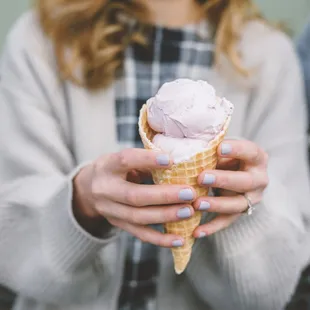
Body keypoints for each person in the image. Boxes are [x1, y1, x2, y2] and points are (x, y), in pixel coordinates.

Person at [0, 0, 309, 310]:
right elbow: (9, 245)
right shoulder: (40, 40)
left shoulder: (270, 56)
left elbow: (268, 294)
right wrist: (79, 204)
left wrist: (241, 207)